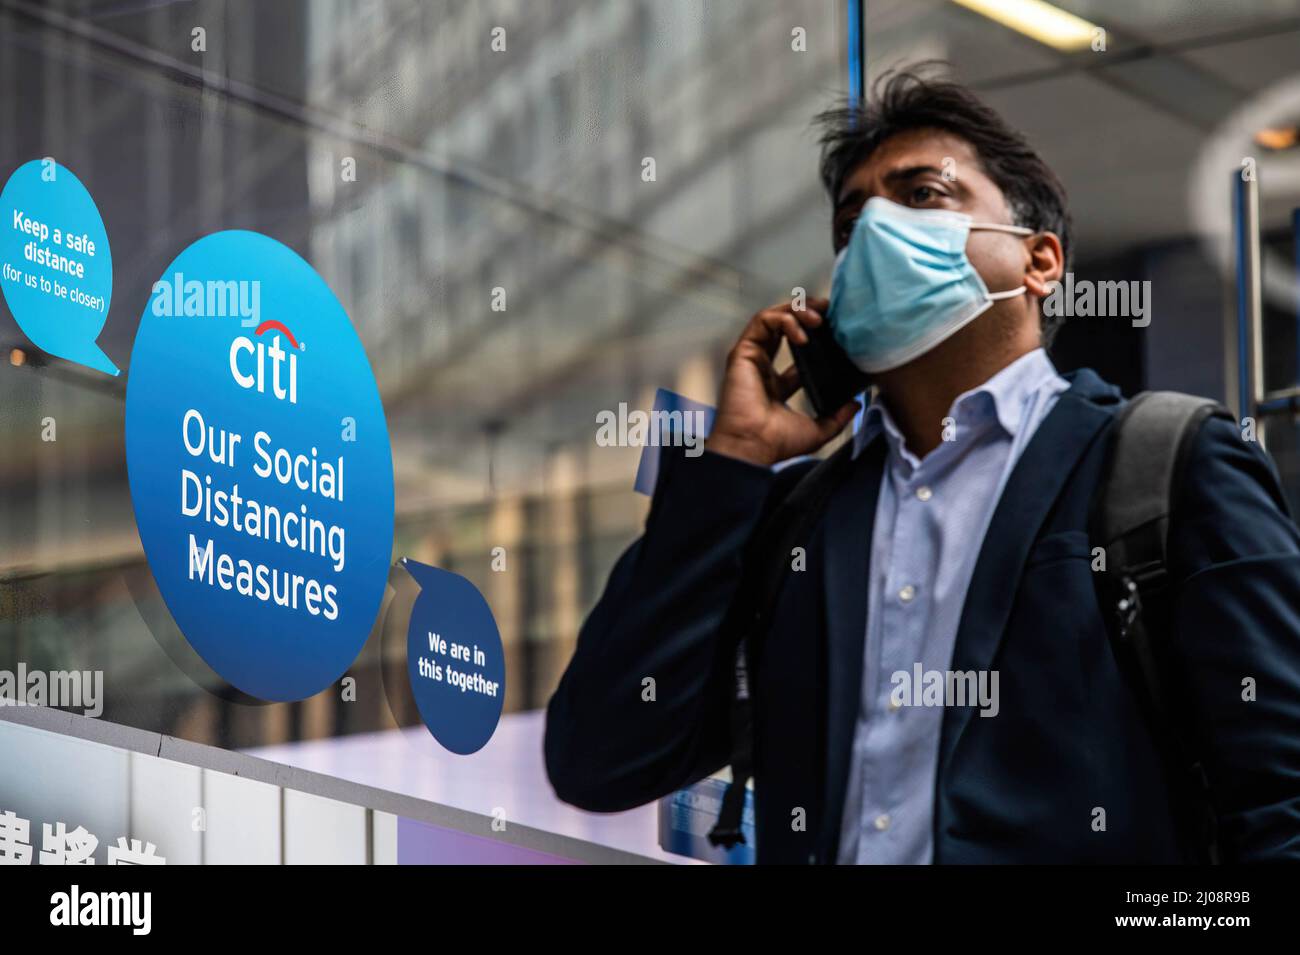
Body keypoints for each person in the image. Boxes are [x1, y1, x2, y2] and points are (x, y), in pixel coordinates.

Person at [543, 67, 1300, 864]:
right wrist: (730, 464)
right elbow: (599, 756)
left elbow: (1285, 806)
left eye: (922, 195)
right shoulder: (800, 521)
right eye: (850, 222)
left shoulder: (1162, 468)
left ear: (1039, 261)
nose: (873, 229)